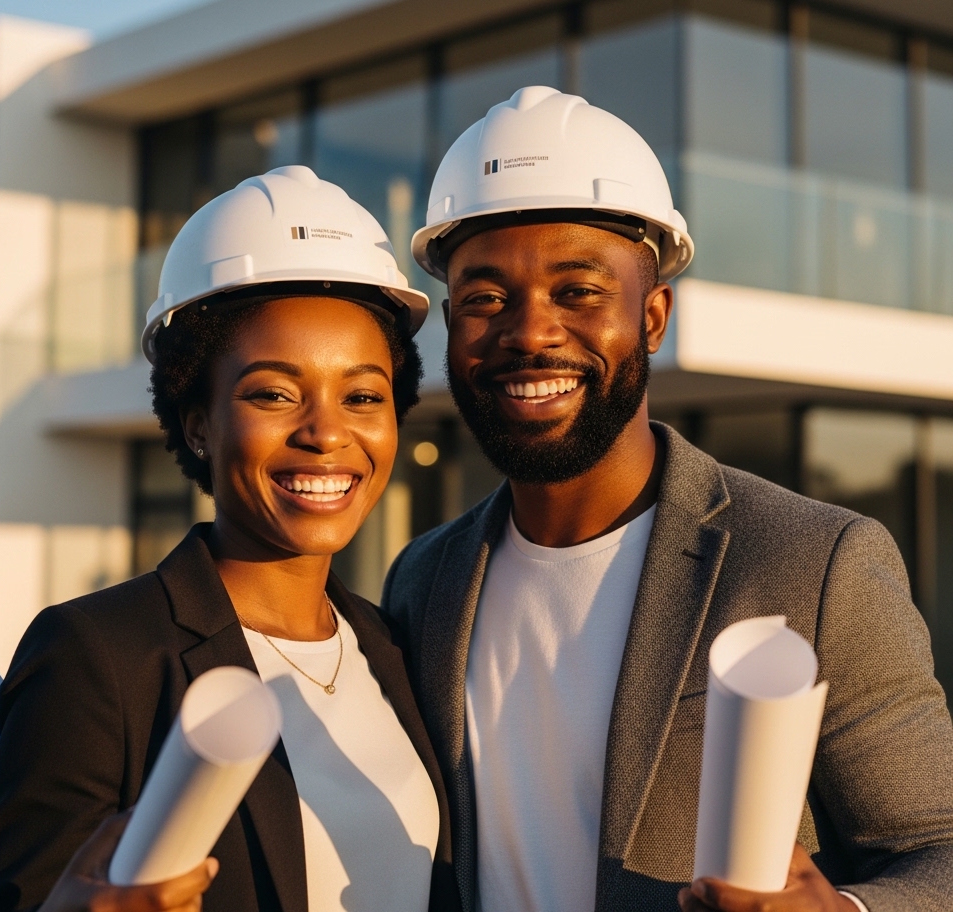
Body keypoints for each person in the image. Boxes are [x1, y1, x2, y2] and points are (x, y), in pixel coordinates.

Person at [383, 86, 953, 912]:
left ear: (652, 317)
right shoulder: (422, 581)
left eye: (577, 291)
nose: (529, 332)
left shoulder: (815, 561)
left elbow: (937, 849)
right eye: (485, 297)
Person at [0, 166, 460, 912]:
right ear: (198, 422)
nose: (327, 433)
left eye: (362, 396)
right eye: (273, 394)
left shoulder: (389, 643)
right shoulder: (99, 656)